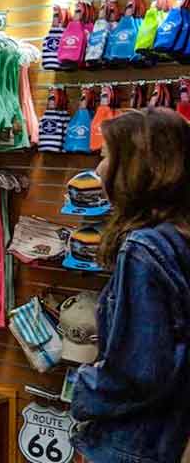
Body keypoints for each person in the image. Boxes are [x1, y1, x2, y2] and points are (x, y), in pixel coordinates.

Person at [71, 107, 190, 463]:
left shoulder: (144, 249)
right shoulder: (178, 240)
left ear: (135, 167)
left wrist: (84, 386)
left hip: (134, 443)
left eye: (105, 156)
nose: (98, 170)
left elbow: (138, 370)